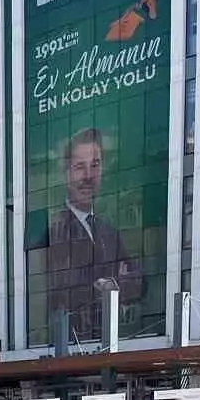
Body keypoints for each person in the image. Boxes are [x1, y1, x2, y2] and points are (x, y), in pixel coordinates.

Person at [37, 127, 141, 341]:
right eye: (79, 167)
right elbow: (64, 290)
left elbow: (140, 281)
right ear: (66, 174)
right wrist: (115, 281)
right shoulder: (52, 231)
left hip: (114, 342)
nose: (88, 176)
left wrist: (113, 283)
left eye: (95, 165)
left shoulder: (109, 231)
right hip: (72, 347)